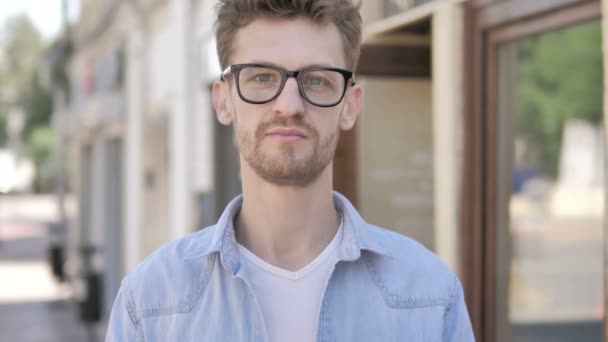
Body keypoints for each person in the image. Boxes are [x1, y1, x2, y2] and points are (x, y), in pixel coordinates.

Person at [106, 0, 475, 341]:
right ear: (223, 101)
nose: (289, 105)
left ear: (350, 105)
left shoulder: (429, 296)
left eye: (317, 80)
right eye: (262, 77)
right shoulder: (151, 303)